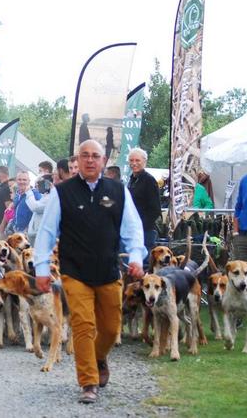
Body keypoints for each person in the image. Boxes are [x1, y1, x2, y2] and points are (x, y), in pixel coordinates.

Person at [34, 139, 145, 404]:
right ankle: (88, 382)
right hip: (75, 272)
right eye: (85, 155)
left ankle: (98, 357)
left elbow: (132, 227)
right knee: (83, 325)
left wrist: (137, 257)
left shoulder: (118, 190)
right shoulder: (63, 192)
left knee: (110, 327)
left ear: (104, 160)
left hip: (108, 269)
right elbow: (47, 232)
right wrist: (41, 267)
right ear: (77, 160)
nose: (90, 160)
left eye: (96, 155)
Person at [126, 147, 161, 252]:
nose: (134, 163)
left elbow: (155, 209)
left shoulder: (149, 180)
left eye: (137, 160)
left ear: (144, 161)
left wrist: (140, 225)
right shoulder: (131, 179)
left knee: (143, 263)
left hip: (145, 232)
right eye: (131, 160)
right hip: (132, 230)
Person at [25, 173, 53, 246]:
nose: (38, 185)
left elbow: (35, 207)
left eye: (41, 183)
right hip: (35, 234)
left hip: (39, 235)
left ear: (48, 184)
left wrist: (28, 192)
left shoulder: (51, 197)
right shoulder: (45, 196)